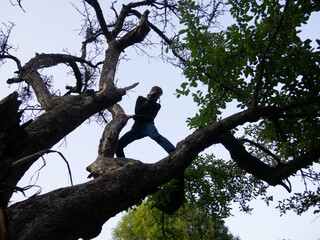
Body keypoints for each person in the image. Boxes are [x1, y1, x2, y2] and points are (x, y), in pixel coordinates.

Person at [116, 86, 176, 158]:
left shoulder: (157, 106)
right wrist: (147, 102)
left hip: (148, 126)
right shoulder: (141, 99)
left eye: (158, 96)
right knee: (118, 145)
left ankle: (173, 151)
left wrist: (132, 116)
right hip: (136, 128)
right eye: (155, 94)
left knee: (156, 136)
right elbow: (137, 111)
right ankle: (122, 163)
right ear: (150, 92)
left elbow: (149, 117)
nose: (156, 97)